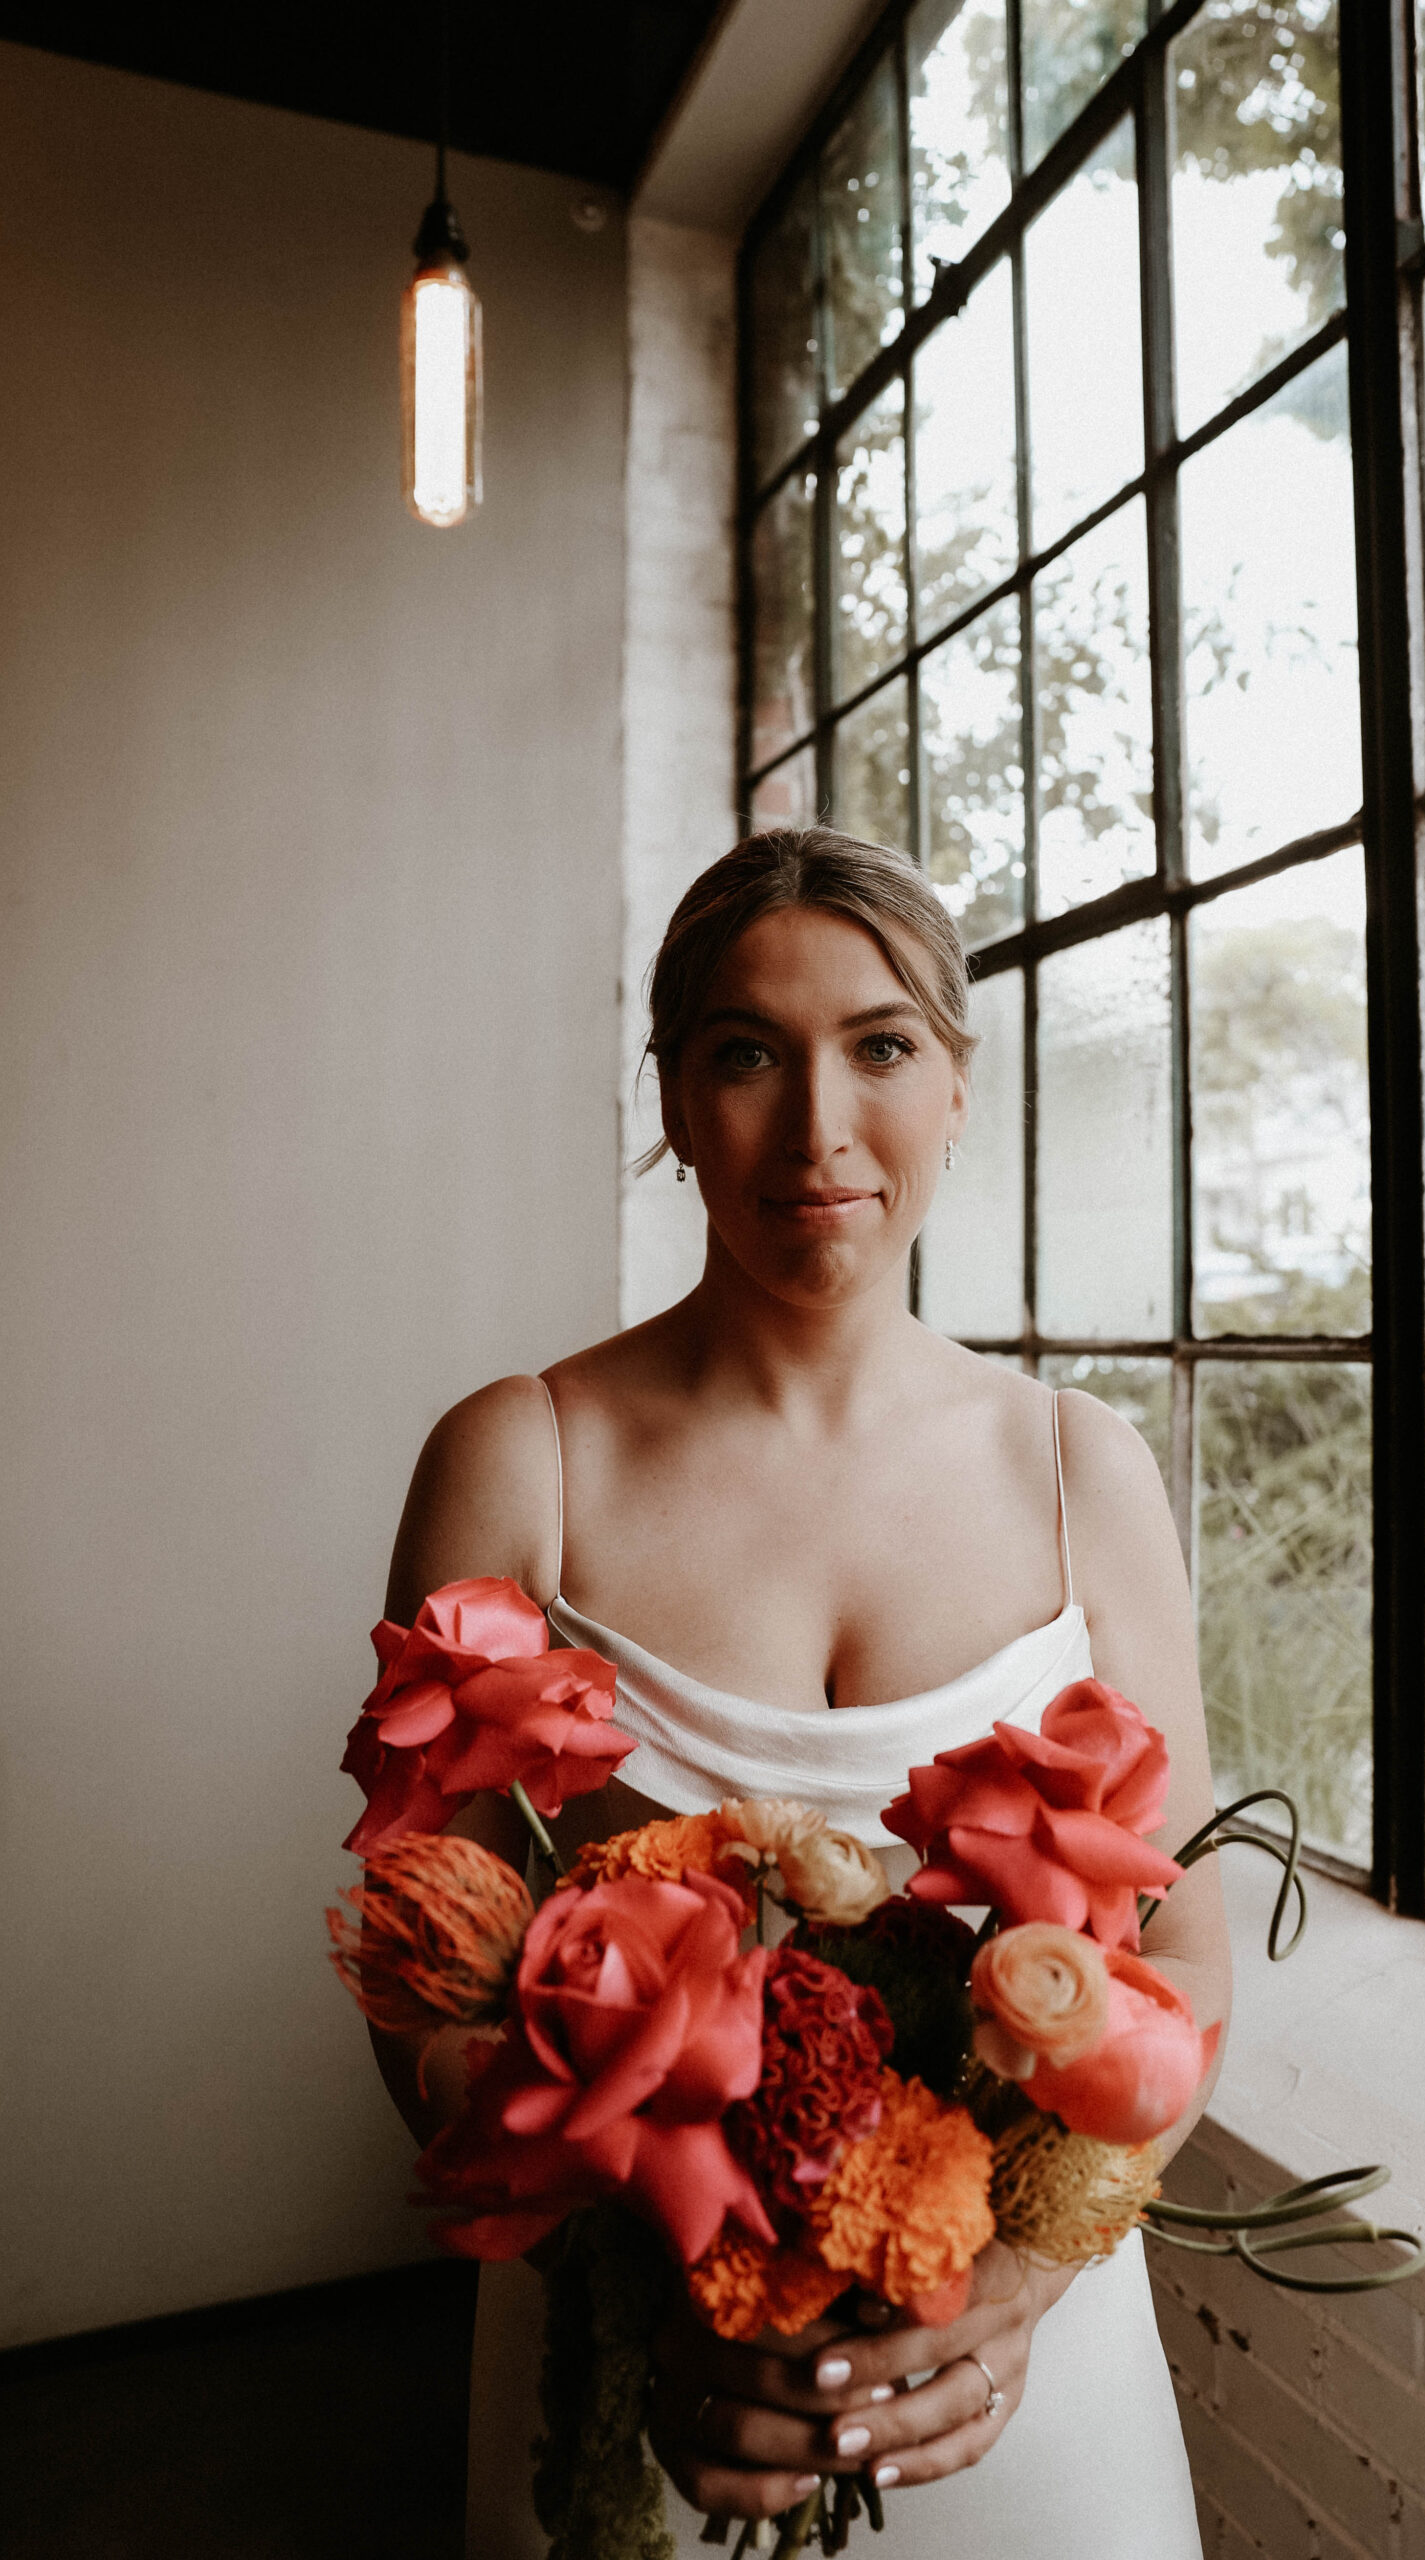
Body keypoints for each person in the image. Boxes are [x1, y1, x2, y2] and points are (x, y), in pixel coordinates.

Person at [369, 827, 1231, 2559]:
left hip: (1022, 2400)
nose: (818, 1129)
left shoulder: (1086, 1472)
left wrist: (1011, 2293)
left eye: (882, 1046)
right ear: (678, 1098)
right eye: (748, 1053)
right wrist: (653, 2298)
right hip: (647, 2388)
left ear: (960, 1085)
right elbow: (421, 1970)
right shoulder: (519, 1460)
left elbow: (1185, 1954)